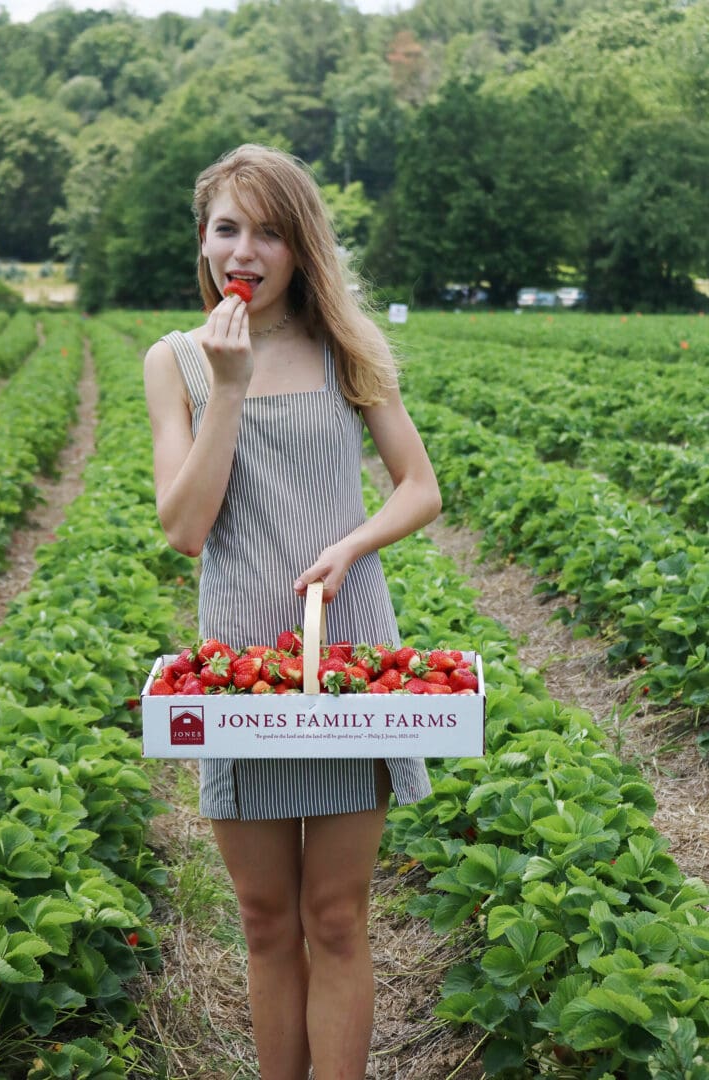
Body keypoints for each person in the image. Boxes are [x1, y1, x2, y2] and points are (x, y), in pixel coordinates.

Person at [144, 143, 442, 1080]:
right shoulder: (176, 362)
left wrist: (353, 544)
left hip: (348, 655)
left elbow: (419, 487)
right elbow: (185, 528)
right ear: (204, 239)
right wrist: (226, 389)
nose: (246, 250)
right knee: (268, 919)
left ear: (299, 245)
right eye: (229, 227)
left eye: (269, 231)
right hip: (239, 667)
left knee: (337, 917)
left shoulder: (343, 345)